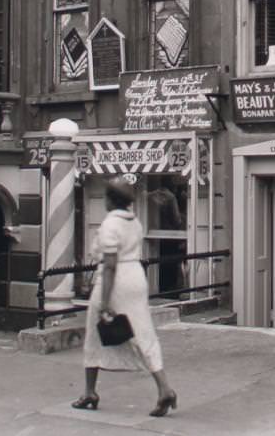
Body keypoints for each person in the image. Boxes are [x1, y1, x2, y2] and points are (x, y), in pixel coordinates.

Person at [73, 178, 178, 417]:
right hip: (136, 277)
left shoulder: (110, 225)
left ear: (110, 199)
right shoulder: (135, 222)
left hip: (116, 279)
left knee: (94, 332)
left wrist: (105, 301)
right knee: (143, 332)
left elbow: (109, 265)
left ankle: (90, 391)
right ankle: (164, 387)